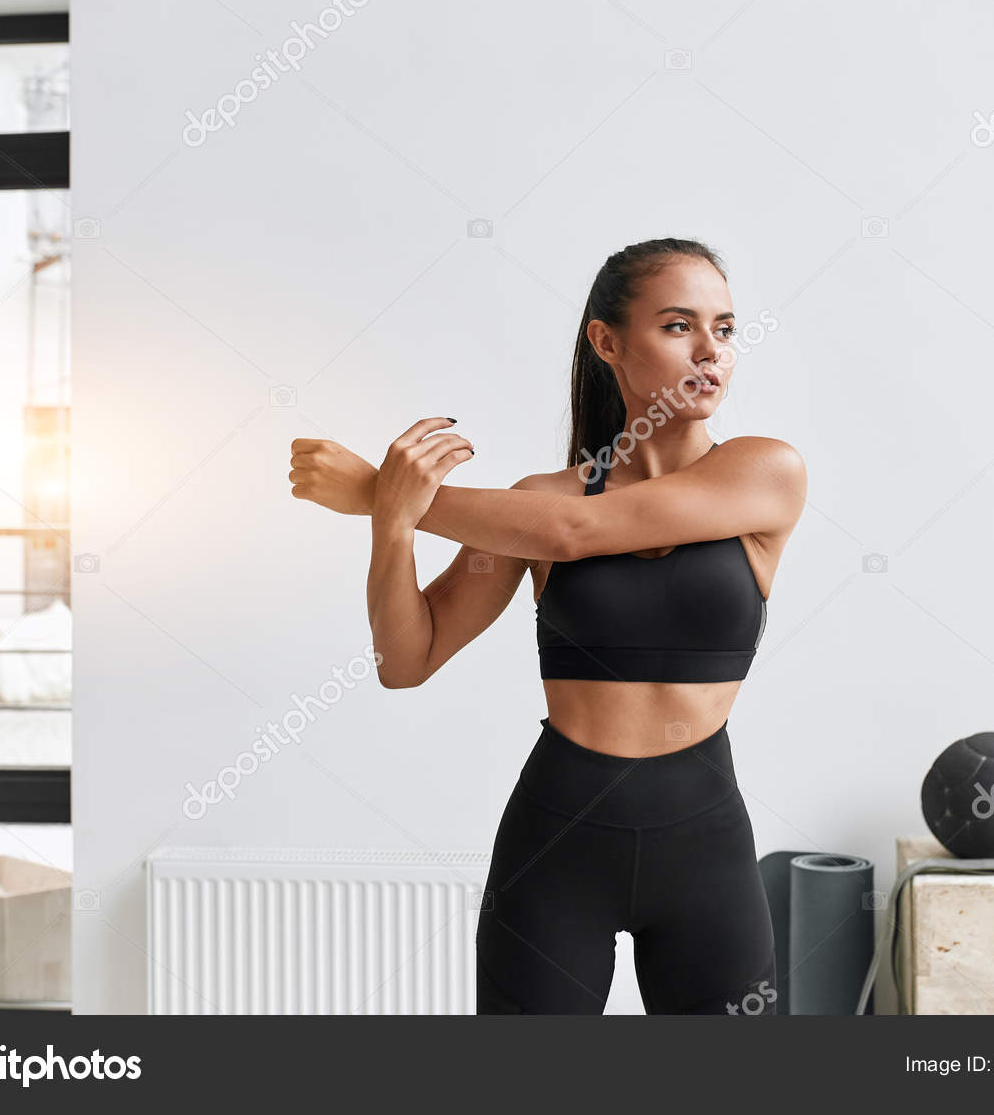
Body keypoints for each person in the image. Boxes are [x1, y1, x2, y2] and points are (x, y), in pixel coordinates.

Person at [289, 237, 807, 1014]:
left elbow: (577, 534)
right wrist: (390, 526)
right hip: (557, 840)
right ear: (608, 341)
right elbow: (407, 657)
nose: (712, 350)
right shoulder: (534, 503)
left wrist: (379, 489)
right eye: (678, 326)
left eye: (725, 328)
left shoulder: (765, 471)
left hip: (705, 847)